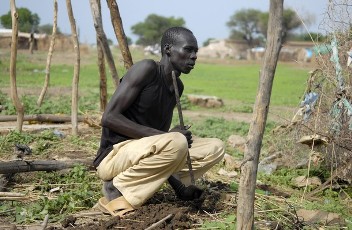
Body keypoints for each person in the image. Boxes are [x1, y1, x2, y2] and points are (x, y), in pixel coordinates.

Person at [93, 26, 225, 217]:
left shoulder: (177, 86)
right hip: (114, 156)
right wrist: (168, 136)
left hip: (143, 153)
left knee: (215, 147)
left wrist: (180, 189)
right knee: (176, 140)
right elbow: (109, 117)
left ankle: (166, 182)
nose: (194, 56)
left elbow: (166, 149)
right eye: (188, 49)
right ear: (168, 49)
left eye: (196, 51)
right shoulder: (146, 69)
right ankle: (117, 189)